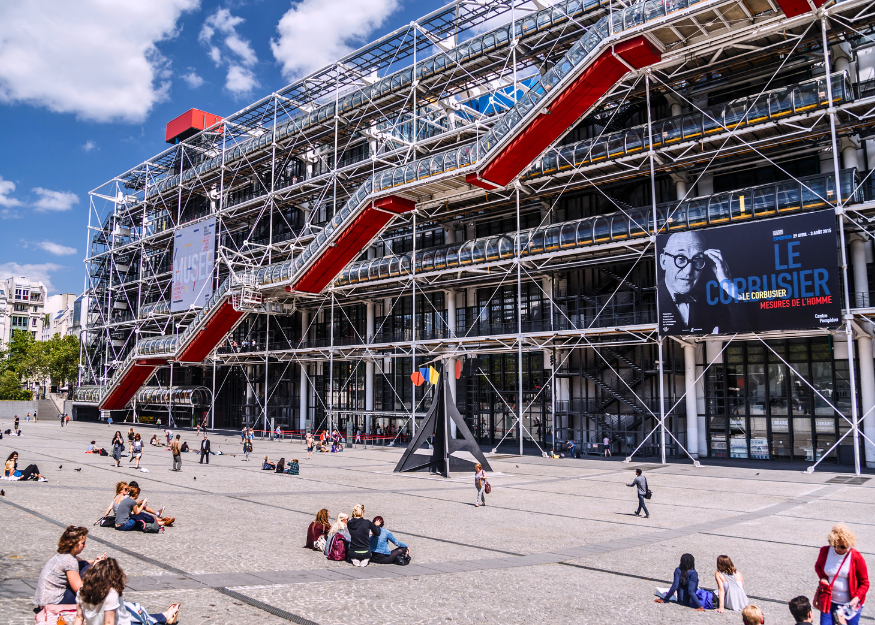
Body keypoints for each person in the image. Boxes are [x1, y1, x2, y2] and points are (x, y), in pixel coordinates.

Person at [657, 231, 735, 334]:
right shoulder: (650, 302)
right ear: (663, 261)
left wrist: (728, 285)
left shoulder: (711, 303)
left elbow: (741, 330)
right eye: (681, 259)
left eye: (697, 259)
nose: (688, 271)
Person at [72, 557, 179, 625]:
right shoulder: (111, 594)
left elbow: (79, 618)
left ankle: (165, 616)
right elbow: (108, 623)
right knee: (140, 616)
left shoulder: (82, 590)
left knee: (137, 611)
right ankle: (165, 616)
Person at [33, 526, 105, 609]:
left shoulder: (63, 554)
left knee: (84, 565)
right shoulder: (70, 561)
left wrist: (95, 561)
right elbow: (79, 589)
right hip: (54, 603)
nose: (85, 545)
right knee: (89, 571)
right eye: (83, 543)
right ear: (74, 544)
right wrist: (94, 569)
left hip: (44, 601)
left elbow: (83, 562)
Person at [815, 523, 869, 625]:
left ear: (849, 543)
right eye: (835, 546)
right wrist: (822, 578)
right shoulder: (825, 551)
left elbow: (865, 583)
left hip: (850, 604)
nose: (839, 549)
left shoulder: (856, 556)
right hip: (829, 601)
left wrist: (857, 598)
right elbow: (818, 566)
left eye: (843, 546)